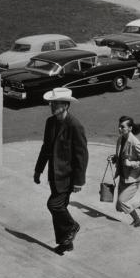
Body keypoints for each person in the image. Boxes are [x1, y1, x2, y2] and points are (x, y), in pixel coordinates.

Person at [34, 87, 88, 255]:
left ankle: (72, 226)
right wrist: (38, 169)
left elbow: (82, 155)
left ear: (65, 105)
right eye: (52, 103)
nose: (52, 106)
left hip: (67, 177)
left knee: (54, 205)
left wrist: (79, 180)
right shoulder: (50, 122)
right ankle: (65, 243)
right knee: (59, 209)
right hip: (53, 175)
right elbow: (46, 148)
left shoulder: (75, 125)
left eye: (56, 103)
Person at [109, 116, 140, 228]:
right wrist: (114, 158)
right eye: (119, 126)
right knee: (119, 206)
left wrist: (131, 164)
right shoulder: (120, 139)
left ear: (130, 128)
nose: (119, 129)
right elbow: (121, 156)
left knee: (122, 202)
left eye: (122, 127)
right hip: (123, 176)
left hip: (134, 179)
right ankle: (137, 220)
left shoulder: (135, 143)